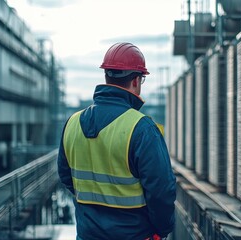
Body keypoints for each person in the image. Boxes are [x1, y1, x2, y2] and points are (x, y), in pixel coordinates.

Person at [57, 42, 176, 240]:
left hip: (88, 234)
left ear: (106, 76)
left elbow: (65, 175)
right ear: (137, 80)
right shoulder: (142, 128)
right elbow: (161, 191)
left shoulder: (72, 123)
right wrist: (162, 229)